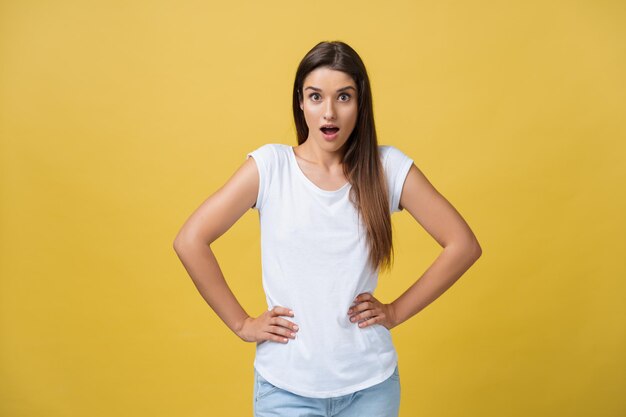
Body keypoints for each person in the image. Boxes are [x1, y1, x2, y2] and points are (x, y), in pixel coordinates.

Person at [173, 40, 482, 417]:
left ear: (360, 104)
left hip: (370, 388)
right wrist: (241, 323)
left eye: (344, 97)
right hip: (285, 388)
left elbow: (462, 245)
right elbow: (190, 240)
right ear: (300, 102)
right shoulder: (271, 167)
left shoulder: (386, 169)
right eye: (316, 96)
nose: (329, 112)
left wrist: (396, 312)